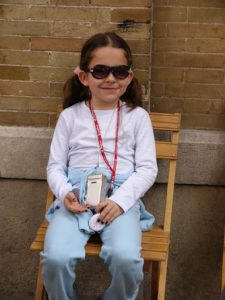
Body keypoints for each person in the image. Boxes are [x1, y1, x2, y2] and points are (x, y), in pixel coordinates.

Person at [41, 31, 158, 300]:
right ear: (84, 76)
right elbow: (55, 166)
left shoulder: (137, 117)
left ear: (129, 77)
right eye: (100, 71)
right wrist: (64, 193)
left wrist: (119, 201)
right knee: (56, 258)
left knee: (126, 259)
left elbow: (147, 168)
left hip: (120, 201)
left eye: (119, 71)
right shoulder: (71, 117)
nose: (110, 79)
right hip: (76, 199)